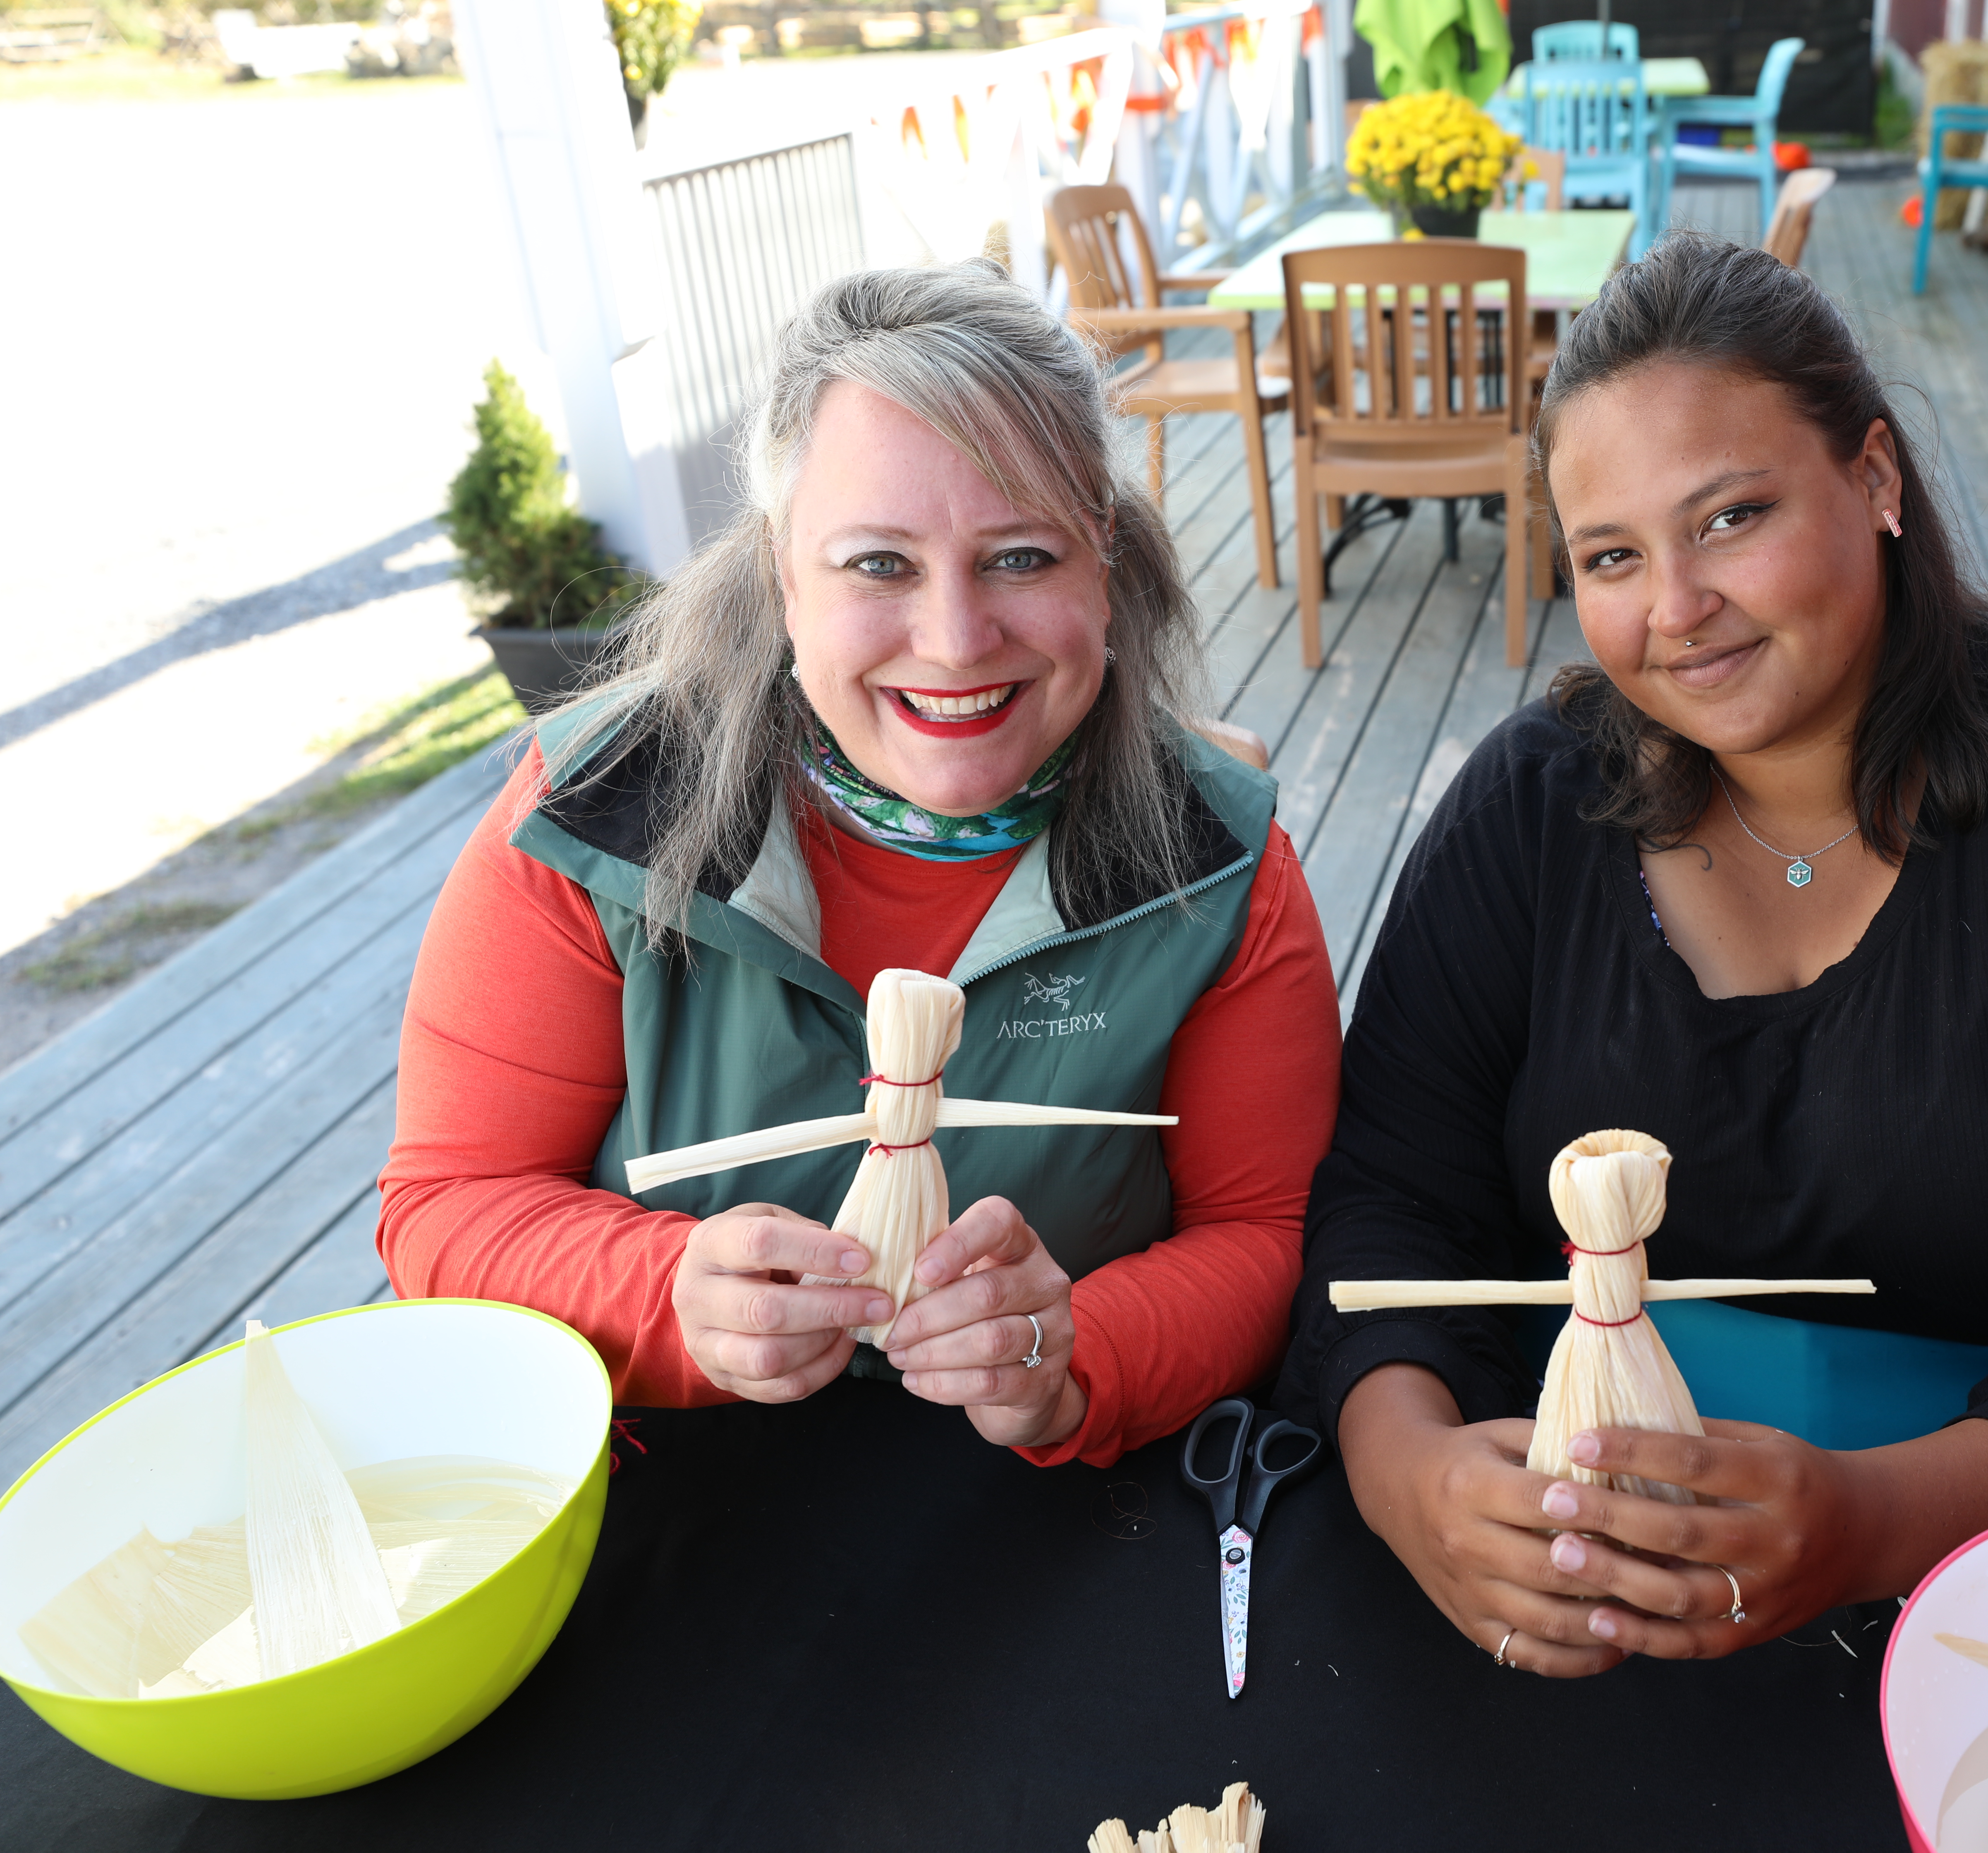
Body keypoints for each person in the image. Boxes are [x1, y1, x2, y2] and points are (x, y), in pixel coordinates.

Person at [1275, 234, 1988, 1673]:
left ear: (1877, 478)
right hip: (1587, 1599)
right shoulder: (1532, 808)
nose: (1673, 609)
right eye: (1611, 556)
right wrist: (1409, 1475)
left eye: (1728, 518)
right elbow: (1391, 1214)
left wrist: (1868, 1522)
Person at [381, 265, 1339, 1467]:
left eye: (1023, 558)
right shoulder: (596, 814)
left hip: (1066, 1519)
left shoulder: (1218, 860)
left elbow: (1265, 1234)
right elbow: (447, 1204)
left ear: (1104, 551)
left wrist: (1073, 1352)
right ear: (786, 570)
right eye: (879, 564)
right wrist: (667, 1291)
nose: (954, 641)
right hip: (678, 1499)